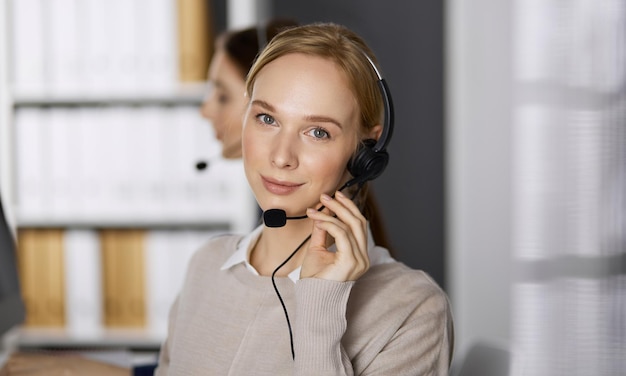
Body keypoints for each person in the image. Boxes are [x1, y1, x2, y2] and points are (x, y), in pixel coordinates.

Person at [155, 22, 453, 375]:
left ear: (365, 152)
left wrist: (320, 306)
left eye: (317, 132)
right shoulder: (206, 266)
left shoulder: (412, 309)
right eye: (267, 118)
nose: (282, 156)